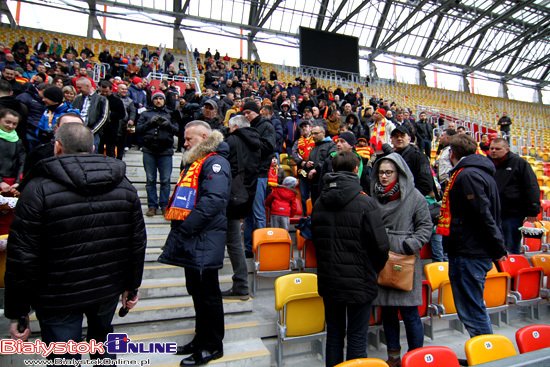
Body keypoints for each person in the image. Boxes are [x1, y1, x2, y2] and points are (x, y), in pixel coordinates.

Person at [5, 122, 146, 365]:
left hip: (58, 293)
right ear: (92, 147)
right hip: (105, 286)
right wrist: (131, 285)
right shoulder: (124, 185)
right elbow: (137, 243)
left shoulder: (37, 188)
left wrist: (18, 310)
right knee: (102, 345)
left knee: (64, 356)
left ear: (57, 147)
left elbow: (22, 255)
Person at [159, 121, 230, 366]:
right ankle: (200, 339)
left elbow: (213, 200)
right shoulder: (197, 162)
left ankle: (212, 346)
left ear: (203, 136)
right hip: (194, 238)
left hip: (203, 238)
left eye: (189, 139)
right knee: (198, 293)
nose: (185, 144)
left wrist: (185, 229)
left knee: (208, 295)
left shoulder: (216, 162)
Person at [312, 151, 389, 367]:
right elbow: (381, 247)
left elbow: (316, 242)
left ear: (333, 170)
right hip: (359, 280)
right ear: (357, 170)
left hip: (330, 279)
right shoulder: (366, 204)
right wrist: (373, 268)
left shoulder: (319, 202)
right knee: (357, 335)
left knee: (334, 335)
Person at [436, 133, 507, 338]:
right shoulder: (479, 172)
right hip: (472, 249)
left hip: (469, 252)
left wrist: (498, 247)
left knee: (472, 310)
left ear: (452, 153)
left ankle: (486, 354)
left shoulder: (467, 175)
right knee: (473, 308)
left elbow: (482, 215)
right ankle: (483, 350)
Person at [371, 153, 432, 367]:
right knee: (387, 311)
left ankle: (416, 358)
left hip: (405, 260)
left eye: (389, 172)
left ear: (400, 173)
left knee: (410, 313)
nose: (384, 177)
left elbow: (426, 226)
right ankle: (393, 357)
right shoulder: (373, 197)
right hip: (381, 258)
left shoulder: (415, 197)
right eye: (381, 173)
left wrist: (410, 244)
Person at [222, 115, 261, 300]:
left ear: (235, 126)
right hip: (244, 196)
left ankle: (241, 285)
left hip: (227, 196)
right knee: (235, 241)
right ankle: (241, 283)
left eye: (229, 127)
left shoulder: (231, 141)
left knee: (232, 241)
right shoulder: (256, 142)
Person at [489, 138, 540, 254]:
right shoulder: (486, 164)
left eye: (497, 149)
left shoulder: (519, 163)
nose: (493, 151)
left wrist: (532, 210)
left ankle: (511, 269)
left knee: (510, 247)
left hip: (512, 214)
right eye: (491, 148)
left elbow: (531, 186)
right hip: (491, 213)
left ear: (507, 149)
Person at [135, 90, 178, 216]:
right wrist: (150, 122)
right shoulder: (145, 114)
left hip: (165, 151)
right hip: (149, 150)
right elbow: (137, 130)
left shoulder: (171, 114)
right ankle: (152, 206)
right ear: (152, 100)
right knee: (150, 179)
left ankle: (164, 205)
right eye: (156, 99)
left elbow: (177, 130)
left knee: (165, 180)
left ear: (164, 101)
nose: (158, 101)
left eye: (161, 99)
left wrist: (168, 124)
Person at [242, 100, 276, 257]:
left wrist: (249, 140)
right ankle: (249, 248)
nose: (246, 116)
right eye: (244, 113)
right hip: (247, 174)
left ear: (257, 112)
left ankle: (262, 249)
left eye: (248, 112)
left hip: (259, 174)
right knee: (247, 214)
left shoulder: (266, 126)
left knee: (258, 213)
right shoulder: (247, 126)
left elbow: (269, 146)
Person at [0, 109, 25, 235]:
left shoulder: (18, 141)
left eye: (14, 124)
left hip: (11, 184)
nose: (10, 126)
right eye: (7, 122)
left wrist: (17, 182)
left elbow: (22, 163)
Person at [71, 77, 109, 151]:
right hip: (77, 132)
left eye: (80, 87)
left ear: (87, 86)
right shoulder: (77, 99)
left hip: (92, 133)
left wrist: (92, 131)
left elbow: (104, 117)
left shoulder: (101, 99)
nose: (78, 90)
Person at [307, 124, 337, 203]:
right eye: (312, 133)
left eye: (316, 133)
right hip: (314, 183)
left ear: (323, 133)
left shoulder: (332, 145)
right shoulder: (313, 148)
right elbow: (309, 161)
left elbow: (331, 159)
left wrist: (317, 169)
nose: (313, 136)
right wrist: (307, 164)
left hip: (326, 183)